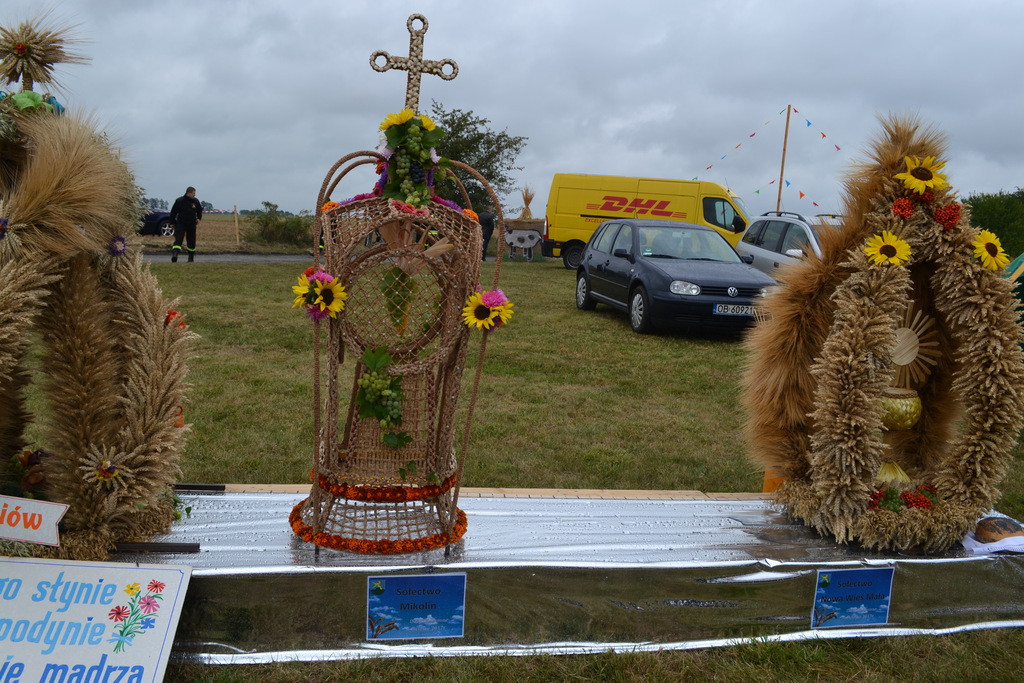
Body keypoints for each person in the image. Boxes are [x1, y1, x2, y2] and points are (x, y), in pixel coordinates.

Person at [169, 186, 203, 262]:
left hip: (191, 224)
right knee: (178, 240)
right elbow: (173, 212)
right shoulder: (179, 201)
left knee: (191, 240)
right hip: (181, 223)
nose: (195, 195)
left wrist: (199, 218)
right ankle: (175, 255)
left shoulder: (196, 201)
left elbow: (199, 210)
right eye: (193, 193)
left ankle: (191, 258)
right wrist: (171, 222)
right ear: (189, 193)